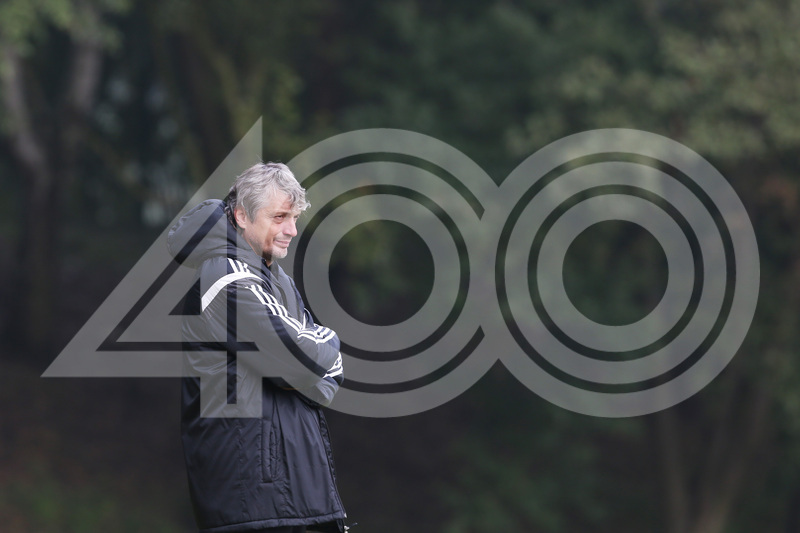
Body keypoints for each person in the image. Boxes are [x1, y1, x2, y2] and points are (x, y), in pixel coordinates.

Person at [167, 162, 348, 533]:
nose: (291, 230)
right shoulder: (226, 279)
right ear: (241, 216)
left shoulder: (275, 280)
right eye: (279, 217)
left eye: (294, 218)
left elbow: (325, 377)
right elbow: (304, 361)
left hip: (292, 496)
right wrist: (327, 342)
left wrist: (306, 364)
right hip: (254, 498)